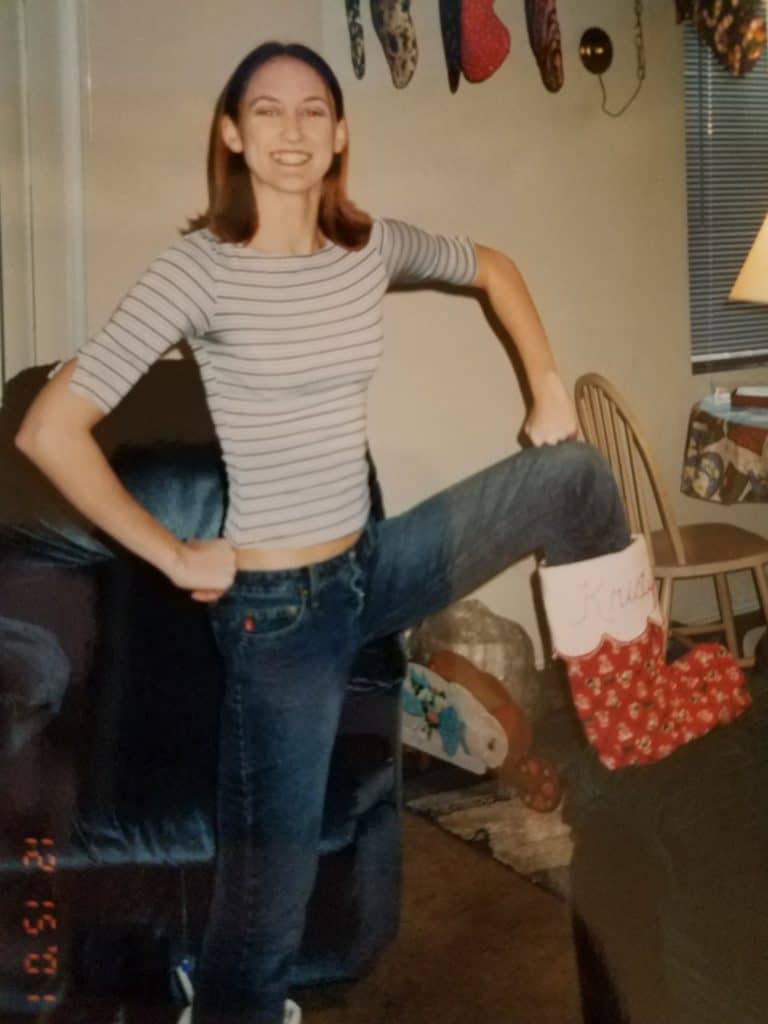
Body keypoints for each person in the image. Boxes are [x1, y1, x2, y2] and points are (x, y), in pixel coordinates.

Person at [15, 40, 636, 1024]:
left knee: (572, 473)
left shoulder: (371, 248)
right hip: (278, 621)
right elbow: (51, 428)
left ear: (341, 133)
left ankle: (630, 699)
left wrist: (547, 384)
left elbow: (494, 267)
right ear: (232, 134)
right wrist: (174, 551)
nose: (293, 131)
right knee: (267, 920)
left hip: (370, 566)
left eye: (314, 111)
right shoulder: (199, 269)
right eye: (267, 111)